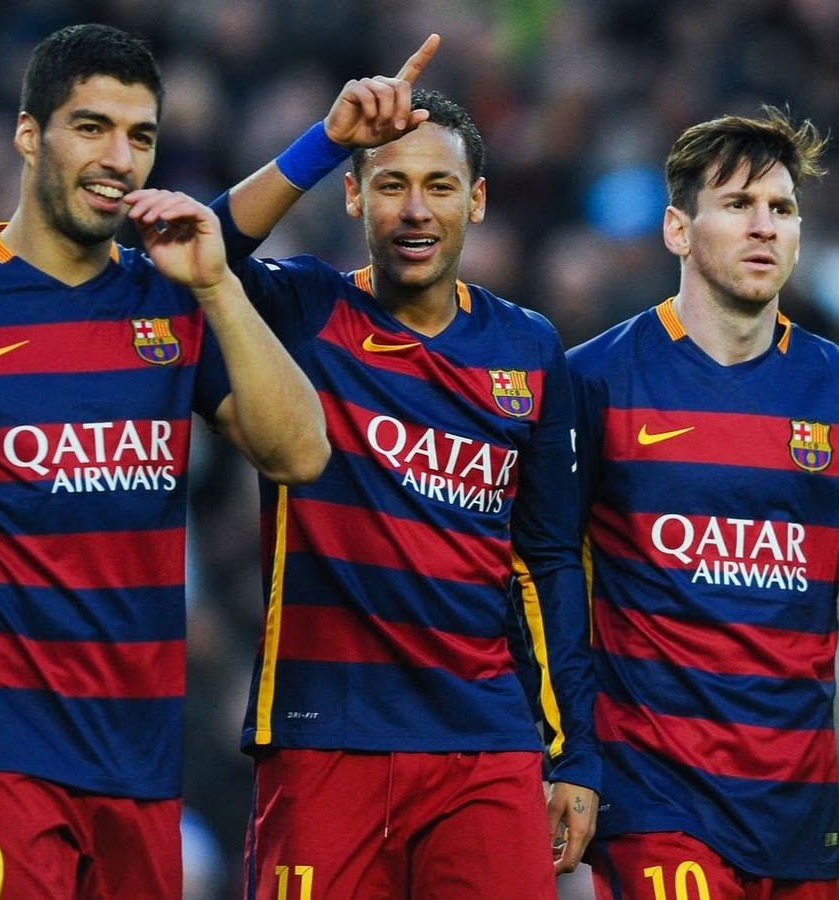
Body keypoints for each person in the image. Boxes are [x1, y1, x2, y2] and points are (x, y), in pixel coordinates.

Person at [0, 22, 329, 900]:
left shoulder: (169, 300)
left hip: (139, 755)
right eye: (92, 127)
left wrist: (217, 286)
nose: (119, 158)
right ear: (29, 134)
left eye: (140, 136)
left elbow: (301, 453)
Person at [209, 35, 600, 899]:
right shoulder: (305, 308)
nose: (415, 210)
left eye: (440, 186)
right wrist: (324, 140)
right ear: (353, 195)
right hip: (324, 732)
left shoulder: (529, 347)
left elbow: (546, 563)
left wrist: (574, 753)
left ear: (478, 200)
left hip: (484, 742)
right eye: (390, 185)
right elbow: (196, 255)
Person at [567, 106, 839, 899]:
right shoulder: (595, 381)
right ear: (677, 230)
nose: (764, 226)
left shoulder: (831, 387)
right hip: (658, 795)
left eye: (781, 208)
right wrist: (567, 757)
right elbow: (543, 573)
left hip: (802, 800)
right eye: (738, 204)